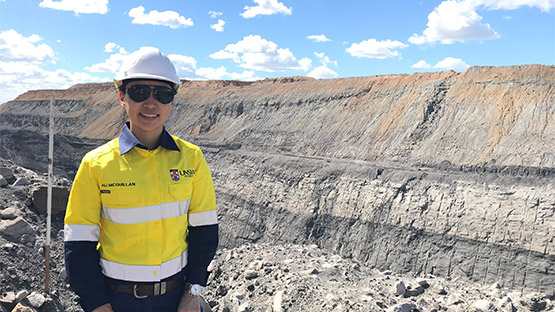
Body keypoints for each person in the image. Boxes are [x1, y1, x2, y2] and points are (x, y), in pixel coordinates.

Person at [64, 47, 219, 312]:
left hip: (177, 299)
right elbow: (78, 245)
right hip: (117, 301)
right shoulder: (95, 164)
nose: (151, 103)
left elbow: (204, 234)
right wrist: (97, 304)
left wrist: (193, 293)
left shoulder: (191, 159)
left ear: (172, 101)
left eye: (162, 94)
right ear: (122, 97)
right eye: (139, 92)